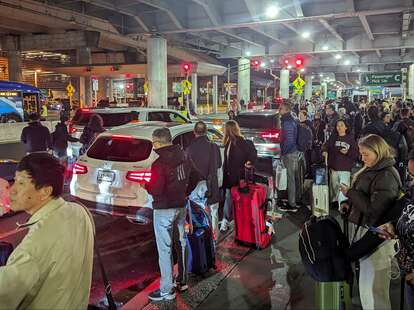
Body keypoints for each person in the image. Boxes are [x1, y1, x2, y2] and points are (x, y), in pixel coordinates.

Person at [0, 153, 94, 309]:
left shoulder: (33, 245)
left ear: (45, 191)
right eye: (14, 181)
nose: (12, 190)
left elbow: (5, 293)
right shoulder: (80, 212)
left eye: (21, 183)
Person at [340, 134, 401, 310]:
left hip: (377, 240)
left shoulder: (386, 175)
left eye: (366, 153)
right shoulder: (372, 168)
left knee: (375, 291)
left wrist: (350, 193)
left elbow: (374, 211)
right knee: (368, 288)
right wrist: (348, 205)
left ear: (378, 151)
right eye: (361, 153)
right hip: (366, 235)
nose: (362, 157)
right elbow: (364, 197)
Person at [143, 128, 190, 301]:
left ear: (158, 142)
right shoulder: (184, 156)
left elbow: (156, 189)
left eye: (153, 142)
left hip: (164, 209)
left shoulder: (159, 164)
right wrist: (184, 193)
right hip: (181, 206)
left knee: (165, 249)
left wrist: (145, 186)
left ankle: (166, 290)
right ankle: (183, 280)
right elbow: (193, 177)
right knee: (181, 242)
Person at [379, 150, 414, 309]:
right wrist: (394, 226)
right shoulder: (411, 192)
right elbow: (408, 216)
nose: (412, 182)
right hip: (409, 273)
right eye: (411, 176)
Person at [186, 121, 222, 238]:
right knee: (214, 213)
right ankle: (214, 238)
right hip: (212, 185)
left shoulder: (188, 149)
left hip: (195, 187)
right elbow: (218, 165)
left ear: (194, 132)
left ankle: (204, 241)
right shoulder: (214, 147)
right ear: (206, 132)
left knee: (199, 216)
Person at [221, 120, 257, 231]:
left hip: (238, 177)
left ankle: (233, 221)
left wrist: (249, 162)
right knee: (229, 198)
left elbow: (252, 154)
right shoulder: (229, 142)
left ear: (228, 130)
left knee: (235, 199)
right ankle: (227, 220)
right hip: (231, 177)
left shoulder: (241, 142)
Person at [322, 119, 359, 209]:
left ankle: (342, 207)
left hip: (345, 167)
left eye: (342, 125)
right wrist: (324, 151)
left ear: (346, 127)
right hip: (334, 166)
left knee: (343, 187)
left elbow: (356, 154)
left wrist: (347, 152)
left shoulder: (350, 138)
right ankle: (335, 202)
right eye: (338, 125)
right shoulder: (333, 137)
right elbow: (326, 145)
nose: (339, 127)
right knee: (334, 186)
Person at [279, 103, 301, 212]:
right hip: (293, 152)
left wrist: (282, 153)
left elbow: (289, 140)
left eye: (281, 109)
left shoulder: (287, 122)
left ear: (286, 110)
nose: (279, 110)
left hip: (289, 153)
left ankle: (292, 203)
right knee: (293, 177)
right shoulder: (290, 119)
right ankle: (294, 200)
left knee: (291, 178)